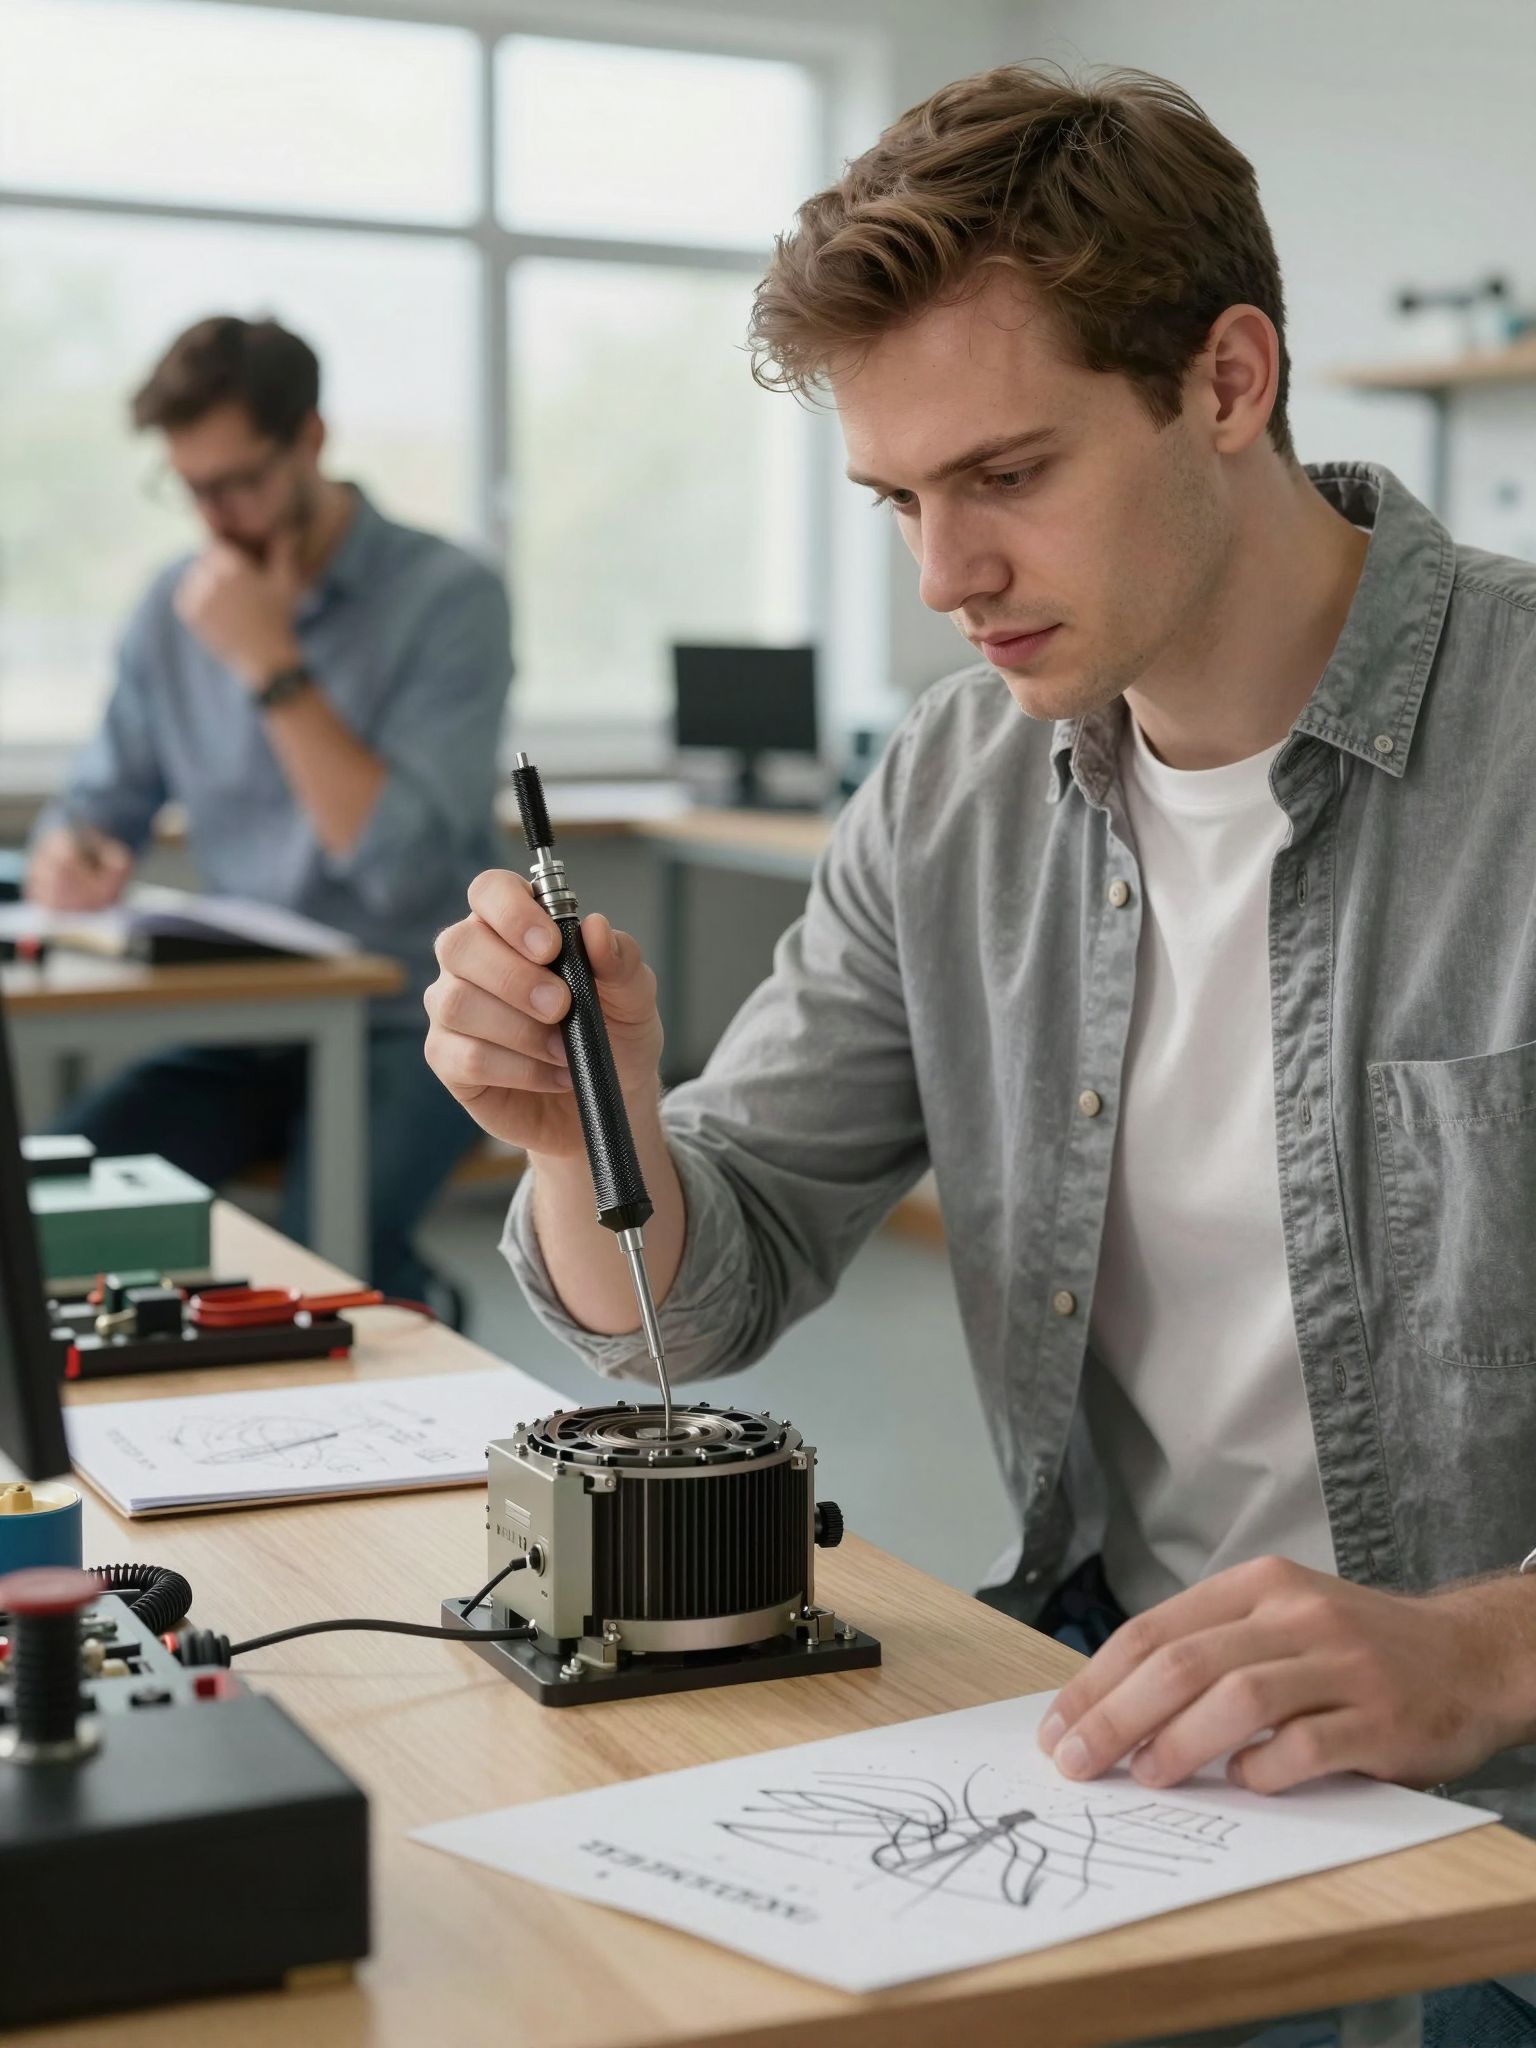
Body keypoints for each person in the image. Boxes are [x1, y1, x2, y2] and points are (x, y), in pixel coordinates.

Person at [422, 67, 1536, 2041]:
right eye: (899, 500)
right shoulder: (957, 779)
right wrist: (567, 1128)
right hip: (1126, 1738)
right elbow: (719, 1263)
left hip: (1489, 1813)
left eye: (1006, 476)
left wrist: (1483, 1654)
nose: (942, 578)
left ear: (1227, 380)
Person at [28, 315, 509, 1313]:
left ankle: (407, 1298)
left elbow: (396, 867)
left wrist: (268, 664)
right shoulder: (177, 604)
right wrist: (68, 854)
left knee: (309, 1265)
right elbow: (96, 803)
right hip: (248, 1023)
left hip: (414, 1019)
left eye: (239, 482)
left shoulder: (449, 596)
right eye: (192, 488)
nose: (217, 517)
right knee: (42, 1201)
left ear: (311, 442)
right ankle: (401, 1289)